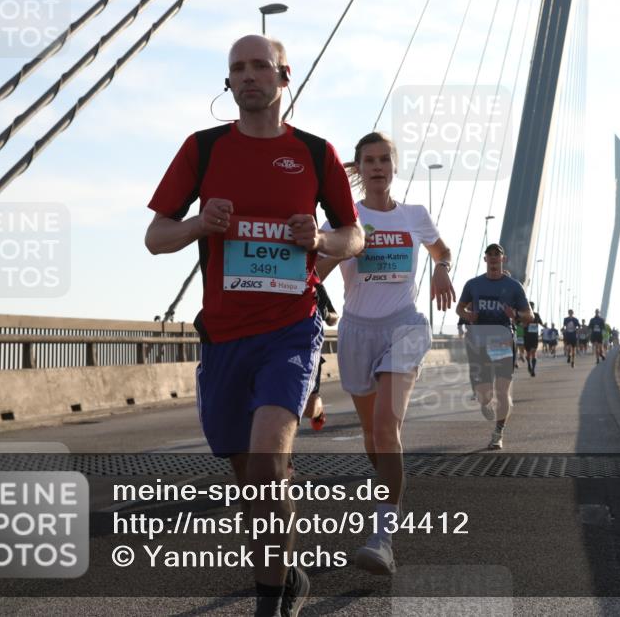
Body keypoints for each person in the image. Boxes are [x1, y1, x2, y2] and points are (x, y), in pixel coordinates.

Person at [145, 34, 363, 617]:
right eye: (237, 68)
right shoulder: (203, 149)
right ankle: (285, 573)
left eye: (260, 66)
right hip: (223, 337)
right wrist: (197, 224)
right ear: (228, 81)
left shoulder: (314, 152)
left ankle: (269, 605)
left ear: (284, 77)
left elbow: (353, 235)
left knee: (267, 463)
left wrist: (320, 239)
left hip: (291, 329)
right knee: (251, 479)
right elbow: (156, 237)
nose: (248, 76)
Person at [316, 131, 455, 576]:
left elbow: (442, 251)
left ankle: (382, 539)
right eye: (369, 161)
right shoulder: (344, 219)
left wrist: (441, 269)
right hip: (357, 331)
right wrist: (338, 251)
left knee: (386, 426)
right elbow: (314, 273)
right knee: (372, 437)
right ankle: (389, 491)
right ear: (359, 169)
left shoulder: (415, 215)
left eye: (384, 160)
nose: (377, 167)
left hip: (405, 326)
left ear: (394, 167)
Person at [456, 244, 533, 450]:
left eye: (496, 255)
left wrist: (515, 315)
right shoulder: (473, 284)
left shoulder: (514, 286)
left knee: (501, 391)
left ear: (503, 259)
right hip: (479, 342)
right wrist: (467, 315)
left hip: (502, 342)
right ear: (485, 259)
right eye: (489, 255)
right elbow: (459, 308)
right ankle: (485, 402)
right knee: (485, 395)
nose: (493, 258)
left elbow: (529, 316)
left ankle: (498, 433)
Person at [302, 282, 338, 430]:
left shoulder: (313, 282)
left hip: (309, 348)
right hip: (273, 345)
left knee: (309, 409)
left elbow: (334, 317)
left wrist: (326, 314)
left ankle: (318, 410)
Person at [522, 302, 544, 377]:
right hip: (527, 336)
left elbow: (541, 323)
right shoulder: (524, 315)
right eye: (530, 306)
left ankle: (533, 370)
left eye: (532, 306)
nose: (531, 308)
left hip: (534, 336)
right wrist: (524, 325)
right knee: (528, 354)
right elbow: (520, 324)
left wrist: (545, 327)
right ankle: (529, 364)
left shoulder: (536, 315)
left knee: (533, 352)